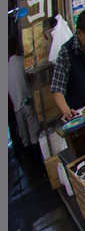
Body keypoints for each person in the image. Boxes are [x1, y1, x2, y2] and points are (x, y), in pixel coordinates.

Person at [8, 36, 41, 166]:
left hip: (17, 108)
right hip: (27, 103)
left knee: (24, 138)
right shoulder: (23, 62)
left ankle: (31, 165)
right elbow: (32, 77)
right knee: (34, 134)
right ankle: (40, 167)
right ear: (17, 47)